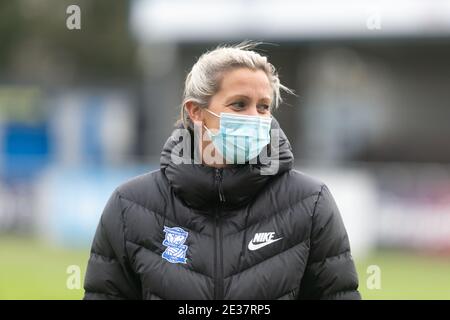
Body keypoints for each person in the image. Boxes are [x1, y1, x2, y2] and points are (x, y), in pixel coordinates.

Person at [83, 42, 361, 300]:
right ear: (195, 111)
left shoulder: (310, 202)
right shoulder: (129, 205)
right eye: (239, 104)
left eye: (263, 107)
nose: (255, 117)